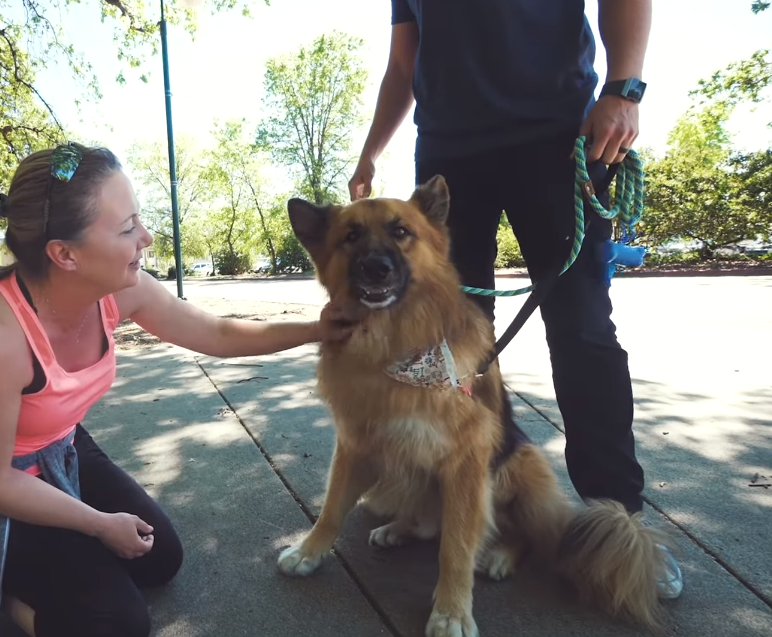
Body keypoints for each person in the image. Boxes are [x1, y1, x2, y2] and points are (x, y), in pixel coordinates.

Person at [348, 0, 683, 598]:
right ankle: (465, 495)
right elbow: (405, 61)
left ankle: (620, 517)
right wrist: (373, 149)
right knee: (453, 339)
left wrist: (624, 87)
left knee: (581, 327)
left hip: (559, 133)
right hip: (450, 149)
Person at [0, 142, 355, 637]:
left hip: (64, 446)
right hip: (10, 483)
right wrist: (97, 523)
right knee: (117, 623)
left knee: (158, 557)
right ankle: (15, 607)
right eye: (127, 229)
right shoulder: (6, 333)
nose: (146, 237)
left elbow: (217, 333)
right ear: (64, 254)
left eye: (139, 219)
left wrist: (317, 330)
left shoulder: (125, 290)